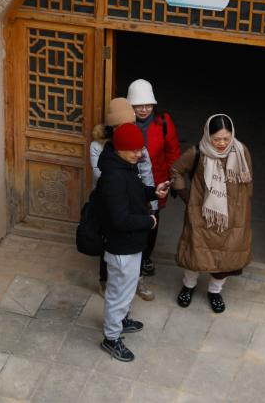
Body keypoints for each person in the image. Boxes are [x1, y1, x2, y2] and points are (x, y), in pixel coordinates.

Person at [97, 123, 170, 362]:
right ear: (119, 148)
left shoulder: (125, 166)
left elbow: (135, 193)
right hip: (122, 246)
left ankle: (121, 320)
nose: (139, 154)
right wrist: (148, 221)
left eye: (141, 149)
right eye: (134, 150)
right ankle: (111, 338)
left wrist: (153, 192)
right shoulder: (113, 177)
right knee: (119, 293)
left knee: (125, 289)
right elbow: (120, 219)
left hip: (130, 243)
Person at [170, 114, 253, 313]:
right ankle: (188, 286)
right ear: (208, 136)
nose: (222, 143)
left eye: (226, 138)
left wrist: (243, 208)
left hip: (233, 217)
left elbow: (248, 181)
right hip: (202, 215)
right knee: (196, 254)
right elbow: (176, 170)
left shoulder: (241, 151)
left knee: (226, 258)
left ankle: (215, 291)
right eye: (217, 139)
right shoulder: (197, 152)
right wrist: (185, 195)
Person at [91, 97, 156, 301]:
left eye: (130, 124)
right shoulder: (101, 148)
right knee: (111, 244)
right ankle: (106, 283)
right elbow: (102, 176)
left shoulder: (135, 143)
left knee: (135, 247)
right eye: (120, 125)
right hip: (112, 200)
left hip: (134, 197)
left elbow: (146, 170)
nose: (126, 128)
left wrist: (152, 195)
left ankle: (135, 281)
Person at [127, 78, 181, 278]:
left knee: (152, 220)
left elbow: (172, 153)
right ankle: (130, 256)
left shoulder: (163, 122)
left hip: (156, 182)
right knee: (129, 217)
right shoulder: (124, 124)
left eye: (148, 105)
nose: (144, 110)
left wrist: (174, 181)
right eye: (138, 105)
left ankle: (146, 257)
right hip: (129, 181)